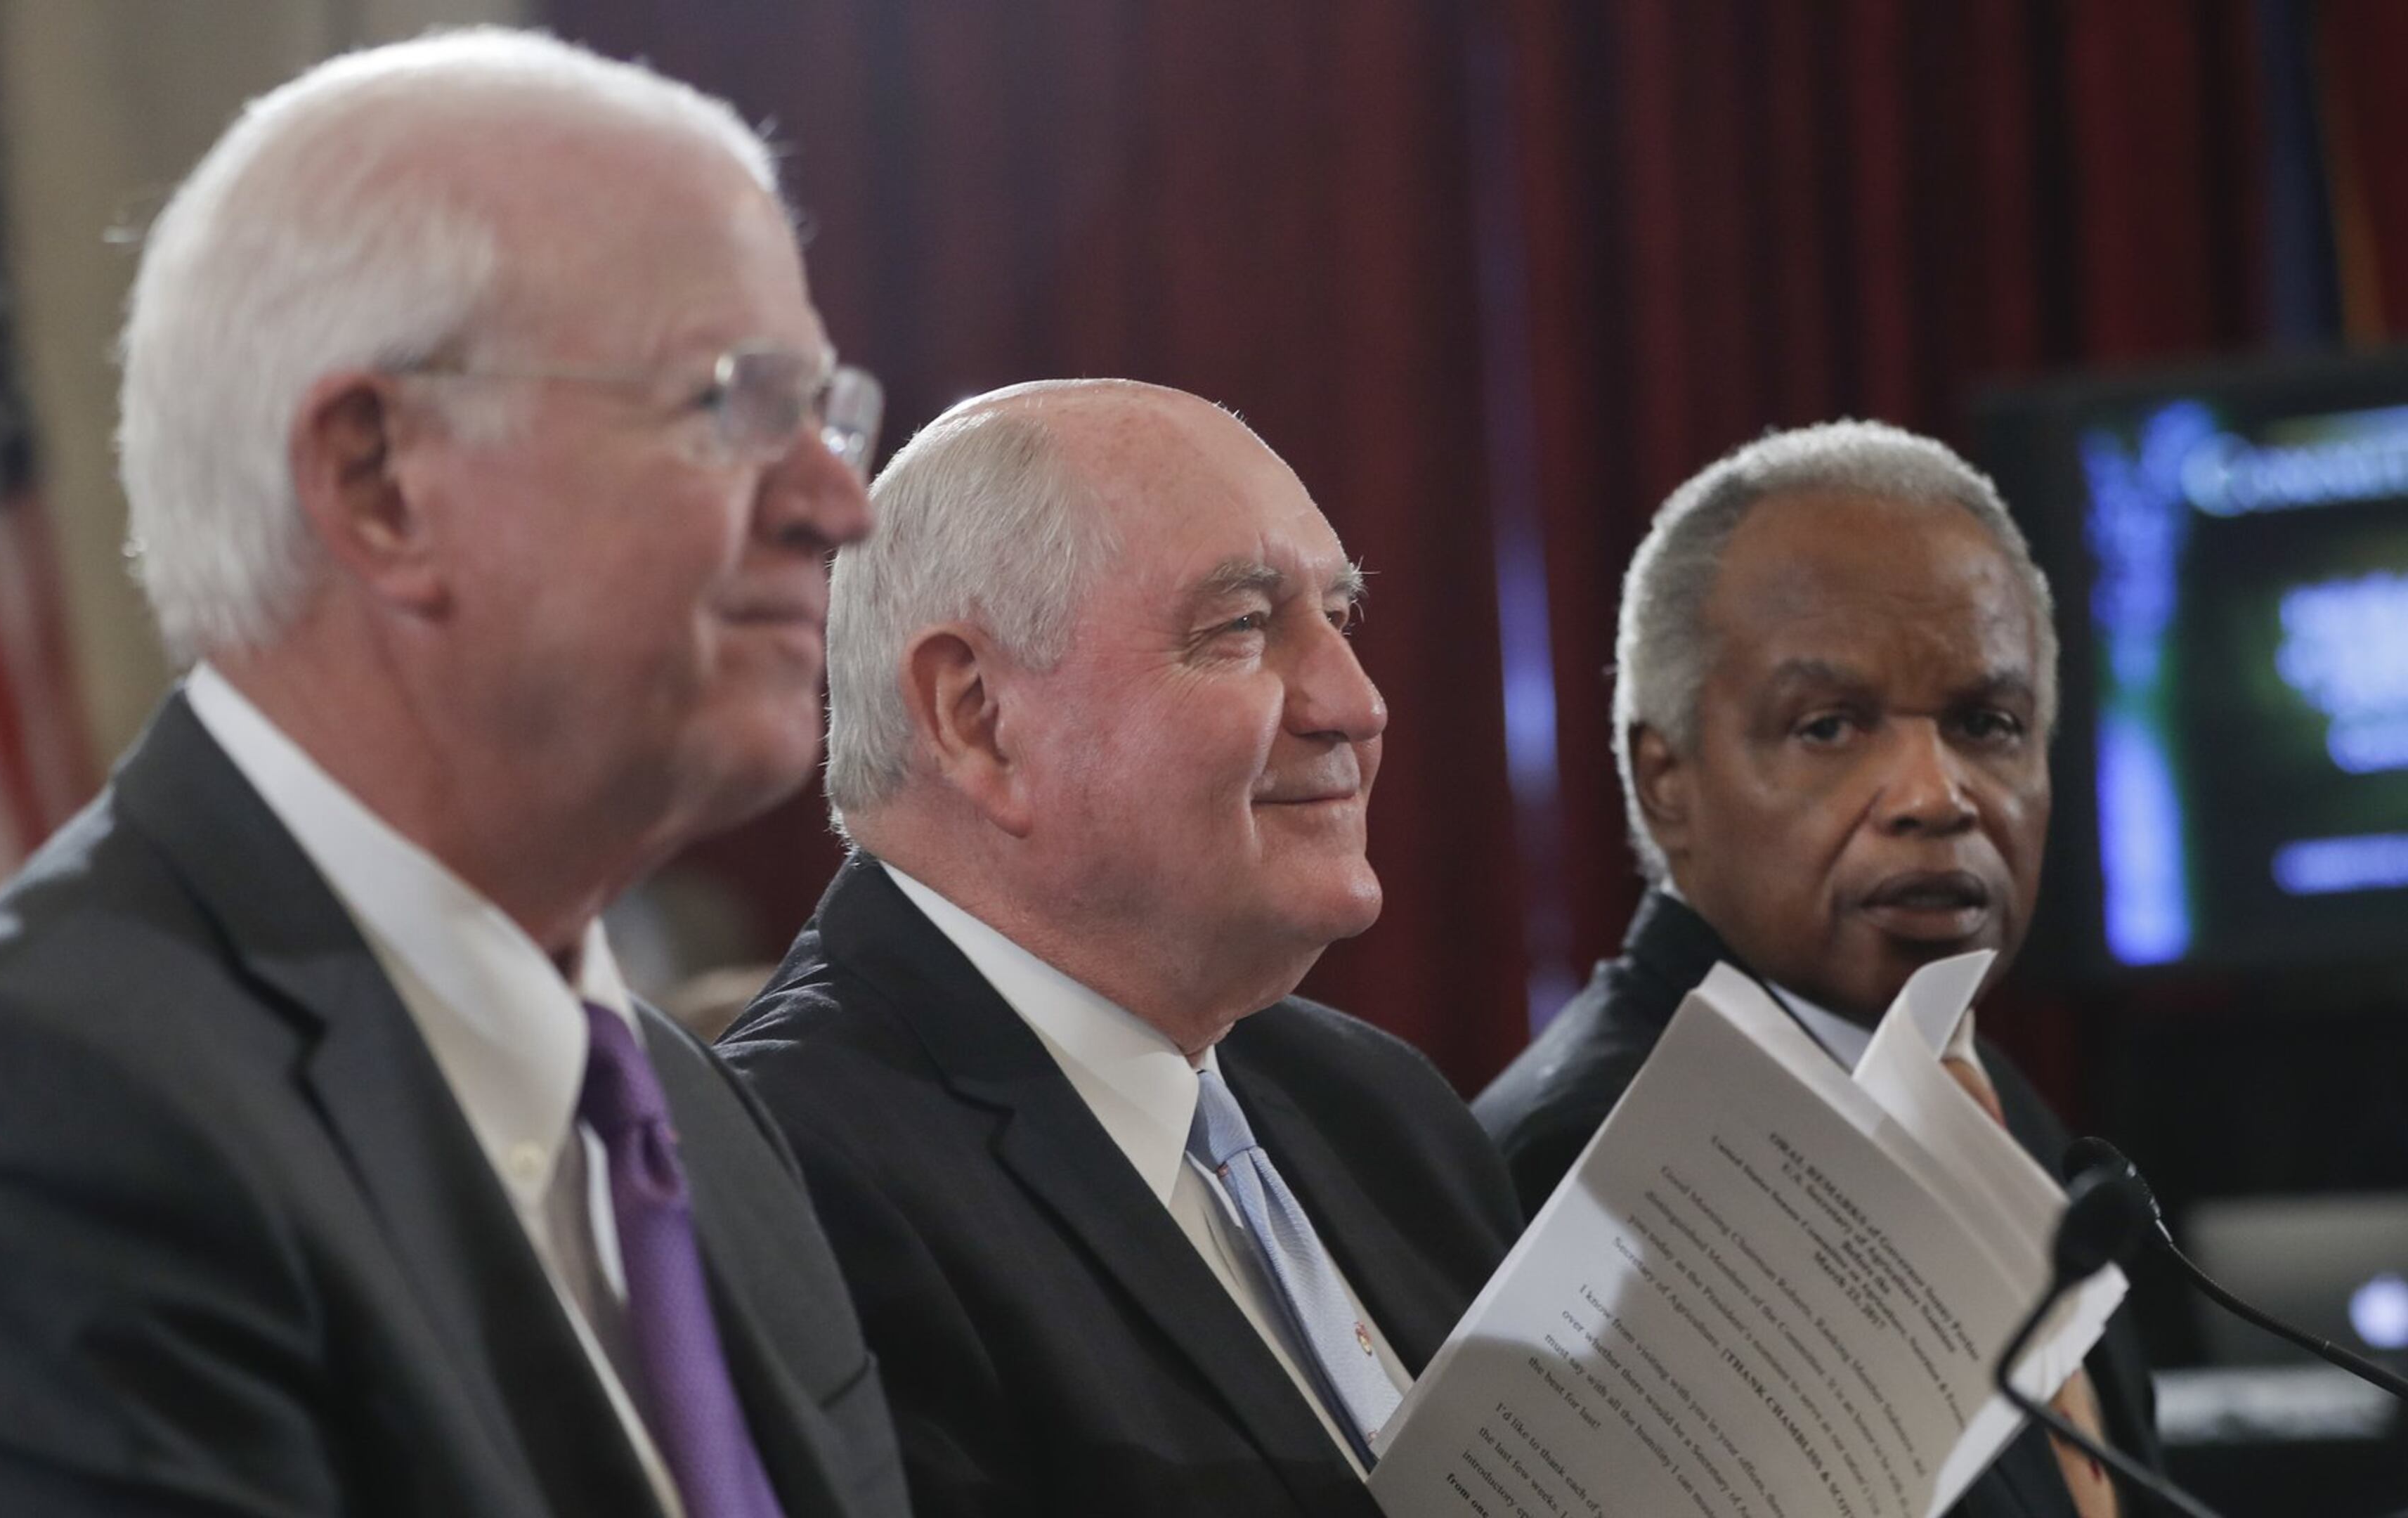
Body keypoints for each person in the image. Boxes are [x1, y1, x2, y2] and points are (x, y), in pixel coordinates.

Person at [0, 31, 910, 1517]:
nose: (839, 502)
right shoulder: (25, 1129)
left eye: (826, 412)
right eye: (732, 403)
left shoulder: (697, 1125)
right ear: (378, 479)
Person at [721, 380, 1526, 1517]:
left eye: (1338, 620)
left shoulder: (1380, 1108)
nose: (1357, 702)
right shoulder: (791, 1184)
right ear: (977, 715)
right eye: (1244, 626)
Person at [1471, 420, 2155, 1518]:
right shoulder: (1614, 1161)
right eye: (1830, 727)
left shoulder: (1985, 1098)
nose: (1936, 796)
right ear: (1667, 783)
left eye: (1989, 722)